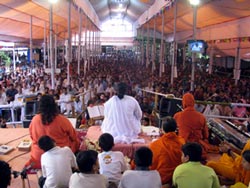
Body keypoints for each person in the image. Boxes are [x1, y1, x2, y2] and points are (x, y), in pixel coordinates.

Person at [26, 95, 79, 169]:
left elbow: (32, 137)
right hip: (60, 156)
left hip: (39, 157)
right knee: (76, 141)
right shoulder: (62, 120)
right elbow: (73, 136)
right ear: (54, 105)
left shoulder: (34, 119)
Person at [149, 117, 185, 186]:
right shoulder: (182, 142)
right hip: (179, 179)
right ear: (175, 128)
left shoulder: (155, 145)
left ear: (162, 129)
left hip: (161, 180)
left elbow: (151, 165)